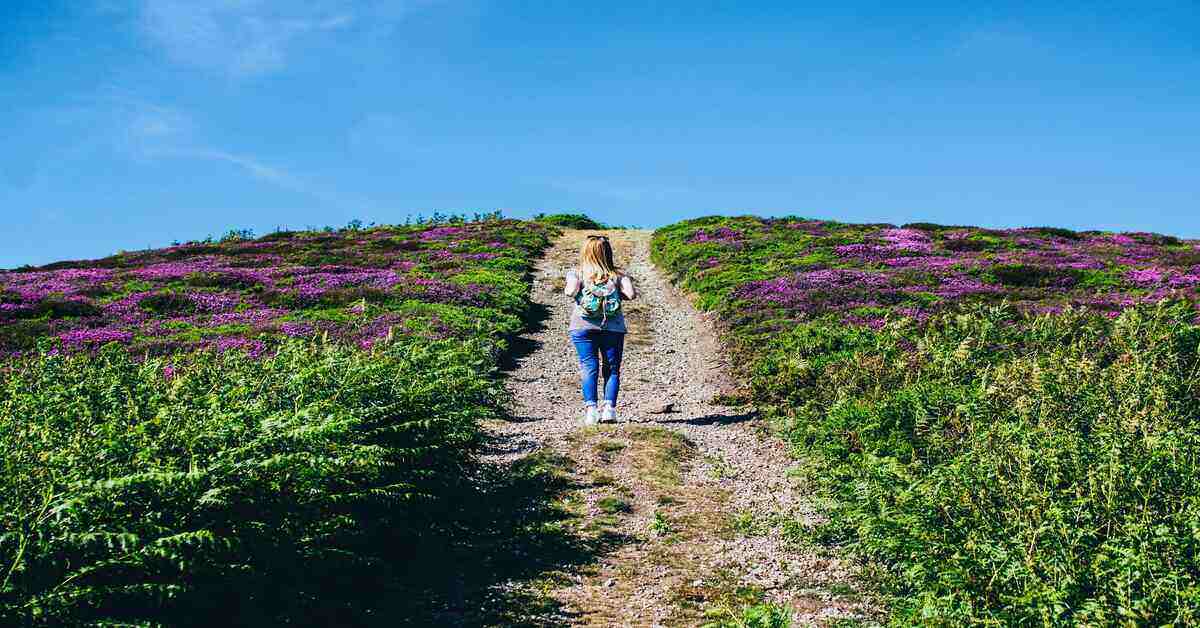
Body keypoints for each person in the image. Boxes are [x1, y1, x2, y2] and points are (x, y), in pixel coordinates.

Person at [563, 234, 637, 425]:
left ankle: (591, 411)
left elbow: (570, 291)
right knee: (612, 368)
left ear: (586, 252)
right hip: (613, 327)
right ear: (608, 253)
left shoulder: (577, 273)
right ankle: (609, 410)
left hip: (583, 326)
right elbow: (631, 294)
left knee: (589, 366)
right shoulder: (618, 275)